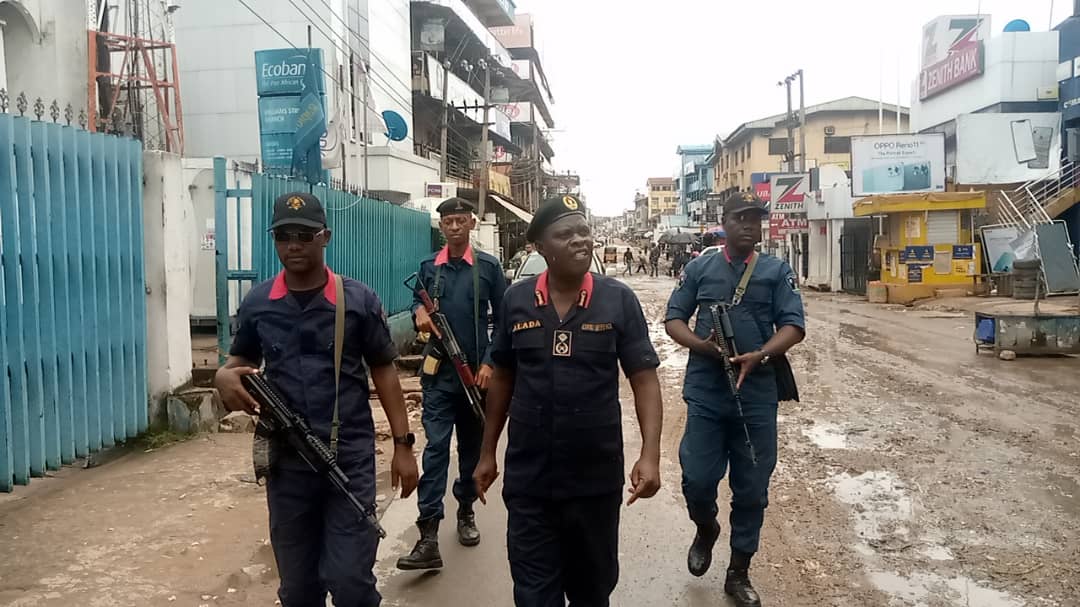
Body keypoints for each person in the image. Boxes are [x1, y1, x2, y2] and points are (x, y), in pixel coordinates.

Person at [215, 192, 419, 607]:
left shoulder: (357, 299)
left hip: (349, 459)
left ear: (325, 236)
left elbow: (384, 370)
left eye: (305, 235)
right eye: (284, 236)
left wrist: (403, 446)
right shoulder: (259, 303)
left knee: (349, 582)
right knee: (298, 588)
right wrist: (223, 376)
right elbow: (241, 361)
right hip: (288, 466)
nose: (294, 245)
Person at [474, 194, 664, 607]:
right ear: (540, 247)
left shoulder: (617, 300)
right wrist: (488, 451)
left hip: (594, 478)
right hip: (530, 479)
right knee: (533, 594)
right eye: (565, 234)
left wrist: (650, 455)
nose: (581, 240)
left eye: (584, 231)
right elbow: (503, 375)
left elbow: (644, 379)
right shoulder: (516, 300)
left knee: (592, 591)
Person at [664, 192, 805, 607]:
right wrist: (702, 346)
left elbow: (794, 326)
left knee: (752, 490)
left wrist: (761, 354)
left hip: (756, 396)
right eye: (740, 218)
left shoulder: (776, 271)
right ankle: (706, 528)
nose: (748, 224)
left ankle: (738, 572)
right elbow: (674, 318)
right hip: (707, 393)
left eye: (755, 219)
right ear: (723, 221)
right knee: (697, 479)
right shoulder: (699, 267)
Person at [397, 197, 507, 570]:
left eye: (461, 220)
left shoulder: (489, 268)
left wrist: (491, 363)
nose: (455, 227)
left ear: (472, 224)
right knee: (436, 451)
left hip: (476, 378)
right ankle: (428, 533)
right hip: (439, 377)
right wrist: (419, 315)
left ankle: (465, 511)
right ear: (441, 226)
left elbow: (505, 323)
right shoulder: (429, 268)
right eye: (448, 222)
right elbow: (416, 305)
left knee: (471, 452)